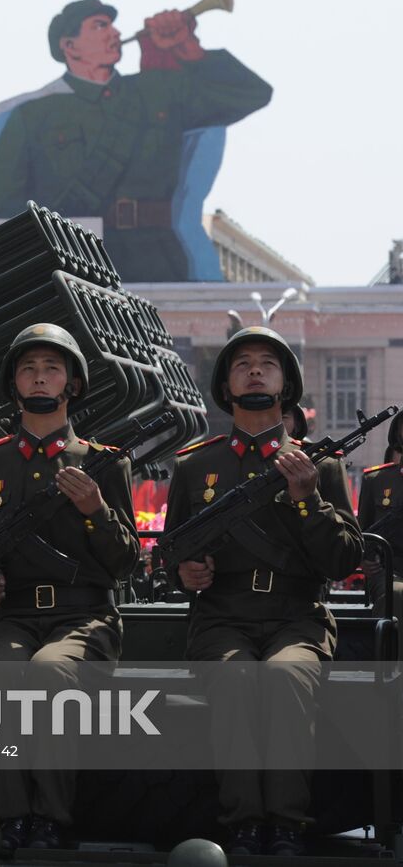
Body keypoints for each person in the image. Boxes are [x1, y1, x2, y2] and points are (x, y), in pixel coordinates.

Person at [164, 326, 362, 857]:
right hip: (222, 617)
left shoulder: (319, 465)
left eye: (267, 363)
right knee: (233, 679)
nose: (254, 369)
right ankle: (246, 824)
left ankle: (287, 824)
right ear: (226, 387)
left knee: (281, 678)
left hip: (296, 617)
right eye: (242, 363)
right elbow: (170, 552)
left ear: (286, 386)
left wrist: (306, 499)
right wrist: (186, 573)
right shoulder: (195, 465)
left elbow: (344, 558)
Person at [0, 323, 139, 854]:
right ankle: (8, 820)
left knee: (50, 673)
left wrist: (95, 510)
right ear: (14, 383)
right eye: (28, 369)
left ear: (73, 384)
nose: (39, 379)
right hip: (13, 618)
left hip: (84, 617)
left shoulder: (105, 462)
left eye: (52, 368)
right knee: (1, 675)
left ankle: (51, 820)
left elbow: (127, 561)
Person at [0, 0, 272, 282]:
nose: (115, 32)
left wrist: (189, 49)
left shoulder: (158, 90)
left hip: (155, 258)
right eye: (100, 26)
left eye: (112, 25)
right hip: (70, 260)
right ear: (70, 46)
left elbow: (252, 94)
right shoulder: (35, 116)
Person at [356, 416, 403, 616]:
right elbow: (362, 532)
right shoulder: (377, 480)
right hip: (390, 569)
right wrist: (365, 559)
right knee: (396, 594)